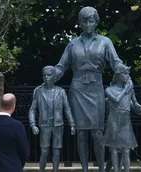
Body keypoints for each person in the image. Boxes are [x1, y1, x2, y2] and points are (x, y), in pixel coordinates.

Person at [54, 6, 124, 172]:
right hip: (77, 89)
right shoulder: (73, 44)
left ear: (96, 22)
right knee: (81, 133)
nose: (87, 24)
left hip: (96, 88)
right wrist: (51, 74)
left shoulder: (105, 42)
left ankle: (100, 168)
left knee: (97, 133)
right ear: (80, 23)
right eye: (84, 21)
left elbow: (116, 62)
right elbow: (61, 66)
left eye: (91, 21)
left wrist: (123, 71)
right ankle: (85, 168)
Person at [29, 66, 76, 172]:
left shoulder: (61, 92)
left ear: (54, 77)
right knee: (44, 151)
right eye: (44, 75)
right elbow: (32, 109)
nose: (46, 77)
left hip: (58, 125)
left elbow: (67, 109)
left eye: (49, 75)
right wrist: (33, 125)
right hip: (45, 125)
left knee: (56, 151)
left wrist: (72, 124)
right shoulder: (39, 92)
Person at [102, 64, 141, 172]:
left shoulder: (129, 90)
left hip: (125, 121)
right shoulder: (109, 89)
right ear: (118, 75)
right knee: (114, 149)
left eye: (128, 74)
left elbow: (135, 104)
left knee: (126, 149)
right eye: (125, 74)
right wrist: (126, 89)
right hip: (114, 120)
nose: (127, 76)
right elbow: (116, 100)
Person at [0, 93, 29, 172]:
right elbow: (24, 150)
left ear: (0, 105)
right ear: (13, 106)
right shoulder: (17, 126)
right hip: (13, 167)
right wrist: (17, 165)